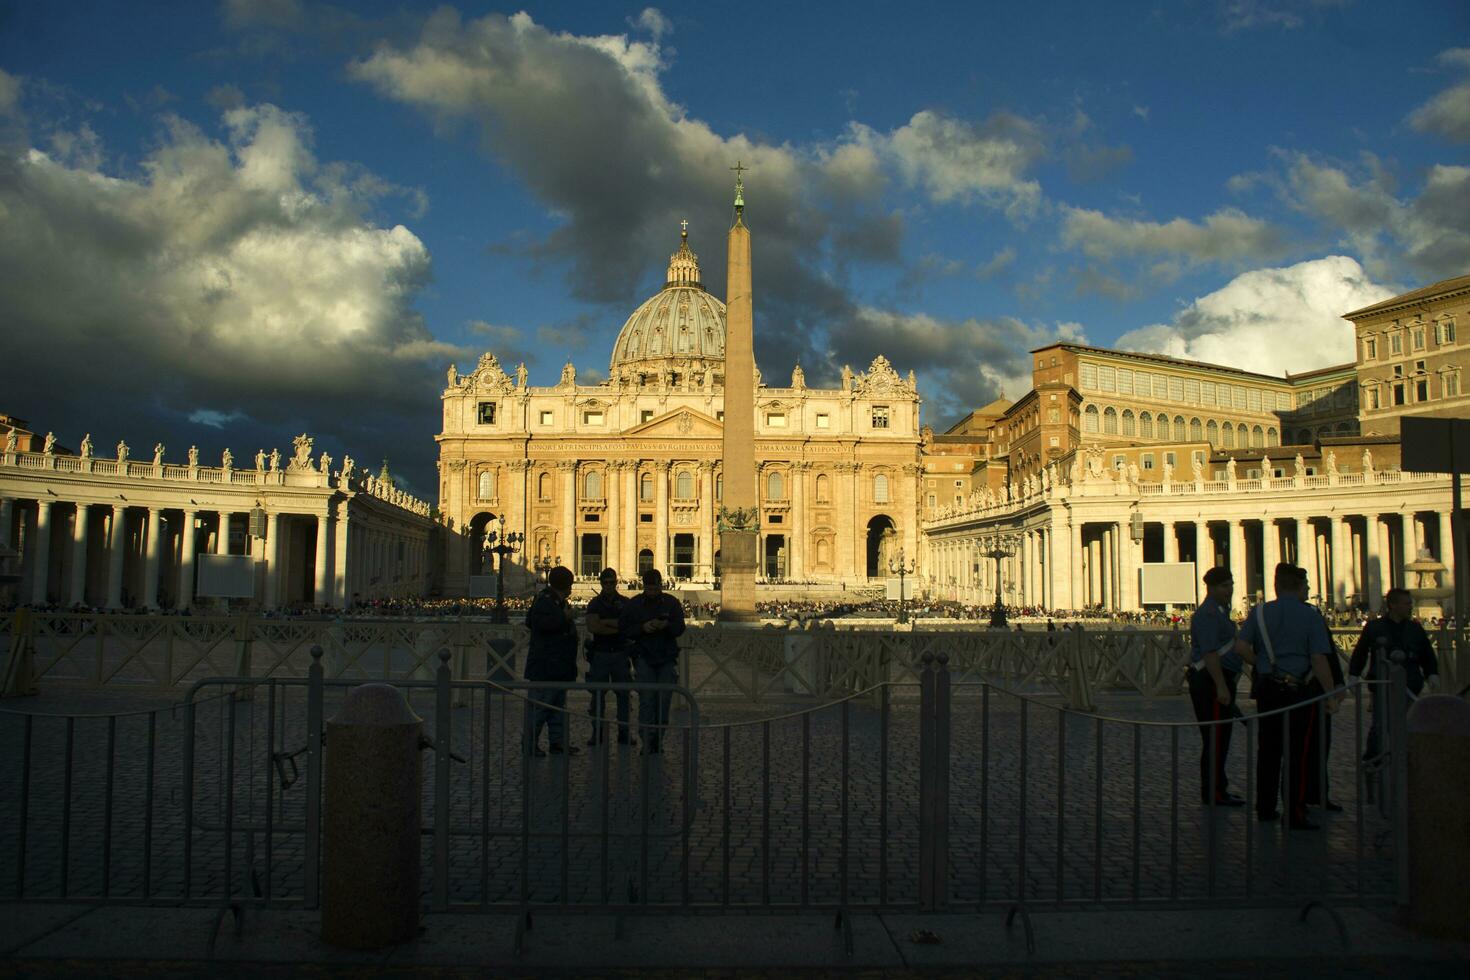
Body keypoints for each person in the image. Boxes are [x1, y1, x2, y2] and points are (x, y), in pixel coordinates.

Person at [1236, 563, 1343, 830]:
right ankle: (1294, 812)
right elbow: (1319, 659)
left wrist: (1261, 663)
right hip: (1299, 691)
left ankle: (1265, 807)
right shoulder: (1310, 615)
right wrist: (1331, 694)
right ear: (1297, 587)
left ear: (1276, 586)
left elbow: (1240, 646)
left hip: (1268, 689)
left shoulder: (1259, 612)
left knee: (1268, 750)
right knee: (1298, 752)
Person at [1348, 586, 1441, 761]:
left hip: (1410, 683)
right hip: (1382, 684)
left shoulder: (1415, 628)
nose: (1410, 607)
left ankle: (1406, 758)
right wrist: (1353, 674)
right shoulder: (1374, 627)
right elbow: (1360, 652)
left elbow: (1427, 654)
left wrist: (1432, 674)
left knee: (1408, 723)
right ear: (1393, 605)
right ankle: (1375, 758)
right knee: (1380, 724)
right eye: (1406, 604)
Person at [1187, 566, 1245, 806]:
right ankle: (1213, 791)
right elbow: (1210, 653)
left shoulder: (1220, 610)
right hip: (1210, 682)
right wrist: (1221, 686)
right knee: (1215, 738)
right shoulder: (1209, 613)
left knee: (1220, 739)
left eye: (1230, 584)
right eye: (1224, 585)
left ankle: (1219, 787)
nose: (1229, 589)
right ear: (1211, 588)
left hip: (1217, 680)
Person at [620, 568, 686, 755]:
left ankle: (658, 739)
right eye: (649, 589)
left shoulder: (671, 603)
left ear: (660, 586)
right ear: (643, 586)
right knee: (647, 701)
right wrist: (643, 627)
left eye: (655, 589)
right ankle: (647, 740)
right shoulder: (634, 605)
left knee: (664, 702)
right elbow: (624, 629)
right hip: (644, 658)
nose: (652, 592)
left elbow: (680, 627)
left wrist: (666, 625)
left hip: (666, 658)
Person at [523, 565, 579, 757]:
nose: (572, 588)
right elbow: (536, 623)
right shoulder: (545, 601)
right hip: (545, 665)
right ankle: (530, 744)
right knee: (540, 708)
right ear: (565, 585)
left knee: (557, 708)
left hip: (558, 665)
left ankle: (558, 743)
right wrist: (564, 618)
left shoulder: (557, 601)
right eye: (570, 584)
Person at [584, 567, 635, 746]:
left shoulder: (625, 602)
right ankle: (596, 732)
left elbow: (628, 626)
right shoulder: (594, 603)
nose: (608, 585)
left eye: (611, 582)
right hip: (600, 653)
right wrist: (616, 626)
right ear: (601, 583)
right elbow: (593, 627)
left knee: (623, 695)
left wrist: (604, 622)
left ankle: (624, 732)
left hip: (620, 654)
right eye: (605, 582)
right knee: (597, 695)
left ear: (616, 582)